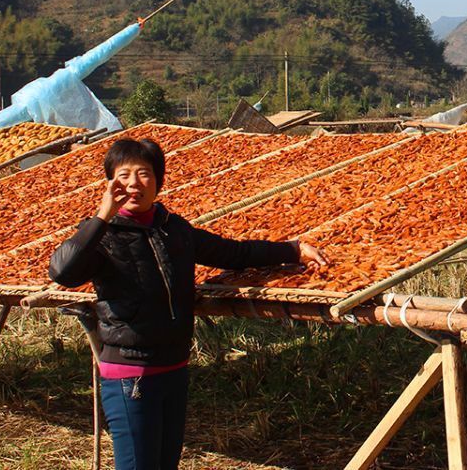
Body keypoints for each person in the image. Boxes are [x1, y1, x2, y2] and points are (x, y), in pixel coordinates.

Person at [49, 138, 328, 470]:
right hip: (131, 373)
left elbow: (233, 254)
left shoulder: (174, 229)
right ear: (109, 183)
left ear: (158, 181)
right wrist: (102, 217)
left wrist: (292, 250)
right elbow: (62, 271)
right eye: (123, 175)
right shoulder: (102, 235)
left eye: (144, 174)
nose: (134, 184)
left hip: (174, 368)